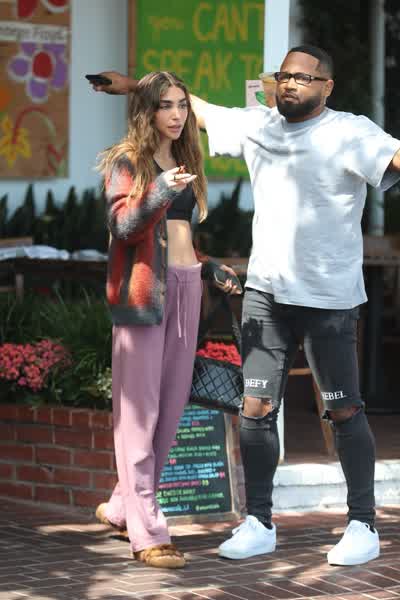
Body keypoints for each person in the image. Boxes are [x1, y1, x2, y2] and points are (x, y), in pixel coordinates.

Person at [91, 44, 400, 567]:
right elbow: (192, 106)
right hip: (266, 296)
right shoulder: (259, 126)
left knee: (343, 409)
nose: (291, 83)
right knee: (255, 409)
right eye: (284, 75)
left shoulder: (352, 131)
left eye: (304, 78)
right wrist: (131, 85)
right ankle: (258, 521)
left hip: (329, 300)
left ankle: (362, 523)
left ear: (327, 86)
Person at [92, 71, 240, 569]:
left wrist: (209, 268)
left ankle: (122, 508)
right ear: (147, 111)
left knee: (171, 409)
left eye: (182, 105)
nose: (177, 115)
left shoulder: (185, 159)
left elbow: (180, 236)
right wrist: (157, 190)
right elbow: (123, 225)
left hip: (186, 289)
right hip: (142, 296)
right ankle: (148, 532)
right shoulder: (128, 161)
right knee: (139, 414)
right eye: (166, 105)